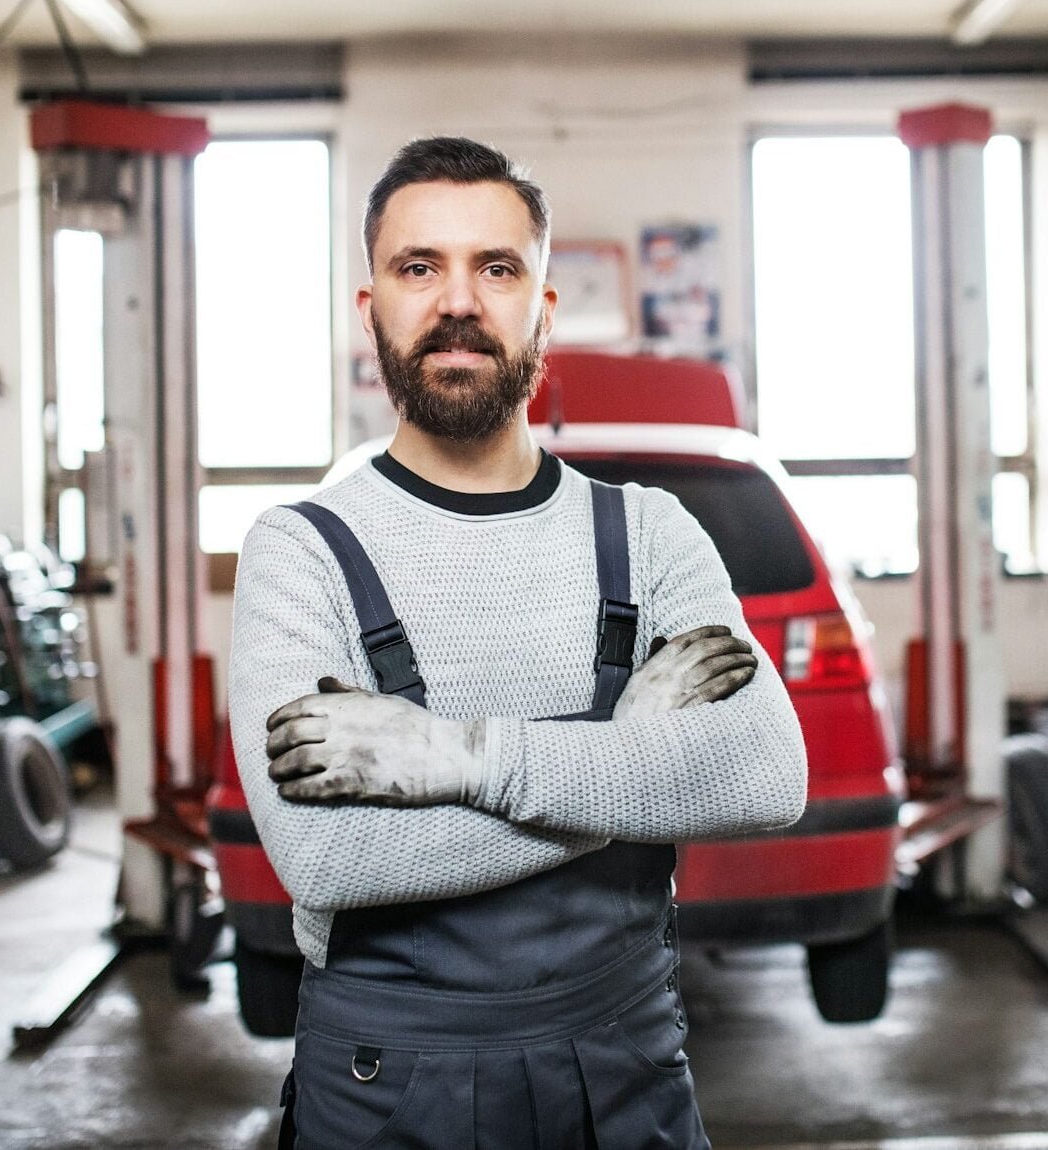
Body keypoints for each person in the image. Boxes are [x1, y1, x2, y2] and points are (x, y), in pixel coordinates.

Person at [228, 135, 807, 1150]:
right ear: (372, 314)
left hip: (627, 1078)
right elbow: (327, 854)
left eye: (496, 268)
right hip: (386, 1094)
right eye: (419, 268)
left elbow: (763, 774)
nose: (459, 301)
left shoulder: (650, 532)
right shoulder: (300, 552)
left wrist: (453, 757)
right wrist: (633, 767)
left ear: (542, 312)